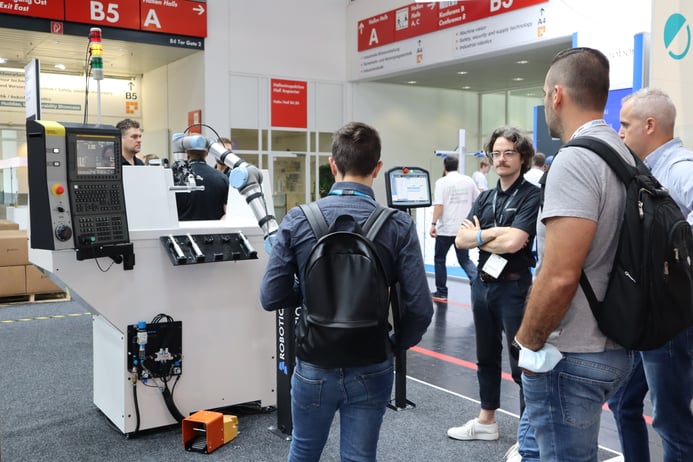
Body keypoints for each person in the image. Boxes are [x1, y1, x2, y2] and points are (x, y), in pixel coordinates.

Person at [260, 121, 433, 462]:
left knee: (304, 450)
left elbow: (271, 296)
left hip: (314, 363)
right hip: (372, 360)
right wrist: (395, 346)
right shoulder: (398, 224)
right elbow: (420, 308)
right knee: (359, 456)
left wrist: (307, 290)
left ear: (332, 165)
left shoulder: (298, 220)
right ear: (378, 167)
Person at [513, 47, 634, 462]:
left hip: (571, 353)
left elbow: (560, 273)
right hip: (614, 341)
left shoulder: (576, 161)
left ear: (558, 95)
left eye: (545, 92)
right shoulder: (624, 155)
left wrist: (528, 345)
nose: (546, 101)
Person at [606, 87, 693, 462]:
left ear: (650, 125)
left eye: (625, 125)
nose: (620, 133)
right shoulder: (649, 172)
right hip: (649, 317)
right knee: (624, 402)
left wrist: (671, 268)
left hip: (670, 320)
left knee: (671, 422)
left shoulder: (678, 169)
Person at [447, 126, 540, 442]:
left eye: (508, 153)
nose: (501, 159)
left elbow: (515, 242)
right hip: (482, 286)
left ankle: (528, 438)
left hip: (514, 288)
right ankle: (486, 421)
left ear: (522, 157)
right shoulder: (485, 196)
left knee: (521, 362)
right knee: (485, 355)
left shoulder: (531, 195)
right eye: (496, 153)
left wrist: (480, 236)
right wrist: (490, 236)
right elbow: (461, 239)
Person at [430, 155, 480, 299]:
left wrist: (433, 224)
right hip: (463, 229)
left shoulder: (441, 182)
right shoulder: (468, 180)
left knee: (439, 259)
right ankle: (479, 286)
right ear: (457, 166)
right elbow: (478, 200)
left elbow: (439, 205)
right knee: (464, 260)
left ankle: (442, 292)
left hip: (446, 229)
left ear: (444, 167)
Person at [175, 148, 229, 221]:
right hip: (213, 230)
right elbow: (228, 213)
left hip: (183, 231)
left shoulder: (176, 177)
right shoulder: (222, 178)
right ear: (206, 153)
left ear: (187, 153)